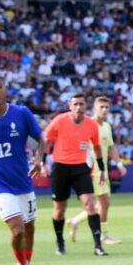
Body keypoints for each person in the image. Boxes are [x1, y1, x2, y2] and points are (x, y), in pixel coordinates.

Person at [0, 73, 46, 265]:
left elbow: (41, 138)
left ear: (6, 89)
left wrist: (39, 158)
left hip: (23, 180)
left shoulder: (21, 113)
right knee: (17, 230)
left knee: (30, 229)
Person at [44, 92, 109, 256]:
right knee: (59, 209)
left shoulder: (91, 124)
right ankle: (60, 242)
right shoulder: (60, 120)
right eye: (75, 104)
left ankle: (98, 246)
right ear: (70, 106)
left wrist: (101, 168)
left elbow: (96, 147)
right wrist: (43, 162)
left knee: (90, 204)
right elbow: (46, 139)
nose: (79, 107)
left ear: (86, 106)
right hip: (60, 167)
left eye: (82, 104)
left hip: (80, 167)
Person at [65, 97, 127, 246]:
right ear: (94, 109)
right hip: (93, 170)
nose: (104, 110)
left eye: (106, 107)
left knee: (102, 204)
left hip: (103, 169)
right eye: (101, 107)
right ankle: (103, 235)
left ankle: (75, 221)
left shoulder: (106, 126)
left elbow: (111, 146)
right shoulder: (88, 125)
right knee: (103, 202)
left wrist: (119, 163)